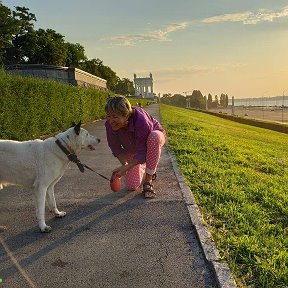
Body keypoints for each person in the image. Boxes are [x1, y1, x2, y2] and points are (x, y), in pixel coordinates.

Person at [105, 96, 166, 198]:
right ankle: (145, 166)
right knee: (132, 186)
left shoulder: (141, 121)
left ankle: (149, 179)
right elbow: (115, 147)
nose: (110, 121)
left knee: (154, 137)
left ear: (126, 116)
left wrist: (129, 166)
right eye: (108, 116)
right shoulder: (109, 124)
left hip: (149, 143)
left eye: (115, 117)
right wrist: (125, 165)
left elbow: (143, 151)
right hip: (132, 148)